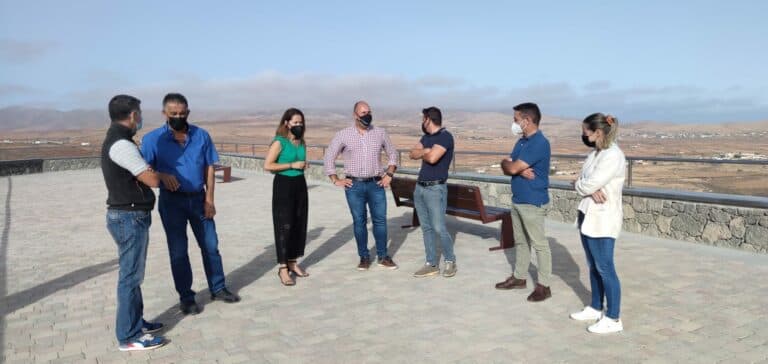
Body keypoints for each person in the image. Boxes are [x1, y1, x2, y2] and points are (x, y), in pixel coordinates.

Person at [141, 93, 240, 315]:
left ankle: (218, 288)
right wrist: (161, 175)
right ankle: (186, 297)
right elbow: (143, 169)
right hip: (171, 202)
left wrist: (210, 200)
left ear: (188, 112)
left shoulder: (201, 135)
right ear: (164, 113)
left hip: (198, 199)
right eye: (173, 113)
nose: (178, 117)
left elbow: (209, 168)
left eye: (182, 113)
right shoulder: (152, 140)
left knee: (211, 245)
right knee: (178, 251)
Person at [101, 94, 166, 351]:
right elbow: (151, 179)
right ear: (132, 115)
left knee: (134, 274)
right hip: (128, 217)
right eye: (139, 113)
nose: (140, 117)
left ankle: (136, 322)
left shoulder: (119, 139)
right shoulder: (121, 145)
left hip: (128, 215)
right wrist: (155, 174)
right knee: (130, 276)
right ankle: (129, 336)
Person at [323, 100, 399, 270]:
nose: (367, 115)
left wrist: (389, 174)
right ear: (355, 115)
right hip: (354, 186)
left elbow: (393, 154)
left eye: (369, 112)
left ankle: (383, 256)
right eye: (363, 113)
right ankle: (364, 257)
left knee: (380, 221)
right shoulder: (343, 135)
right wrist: (335, 179)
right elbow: (329, 157)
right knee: (359, 222)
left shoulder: (380, 133)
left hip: (376, 184)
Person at [569, 113, 626, 334]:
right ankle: (595, 307)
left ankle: (613, 317)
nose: (583, 135)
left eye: (586, 131)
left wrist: (585, 186)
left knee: (605, 267)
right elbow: (582, 182)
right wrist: (587, 187)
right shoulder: (595, 154)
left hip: (603, 218)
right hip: (587, 214)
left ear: (598, 132)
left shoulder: (613, 156)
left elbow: (586, 183)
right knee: (593, 265)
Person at [495, 102, 553, 302]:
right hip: (519, 199)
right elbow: (508, 166)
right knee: (520, 241)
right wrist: (513, 166)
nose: (514, 123)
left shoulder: (539, 143)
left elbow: (511, 168)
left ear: (527, 120)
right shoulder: (521, 142)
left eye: (516, 120)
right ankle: (519, 278)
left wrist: (513, 167)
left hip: (532, 201)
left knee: (539, 244)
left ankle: (544, 286)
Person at [409, 107, 457, 278]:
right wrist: (426, 151)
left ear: (428, 119)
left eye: (423, 118)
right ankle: (431, 263)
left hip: (435, 189)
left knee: (438, 227)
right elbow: (412, 153)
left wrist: (424, 153)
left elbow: (432, 158)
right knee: (426, 227)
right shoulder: (426, 138)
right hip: (420, 187)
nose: (422, 122)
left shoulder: (445, 136)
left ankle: (450, 260)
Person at [264, 108, 310, 286]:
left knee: (299, 223)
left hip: (300, 184)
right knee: (284, 225)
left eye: (301, 122)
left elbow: (299, 162)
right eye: (295, 122)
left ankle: (292, 261)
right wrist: (291, 165)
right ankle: (283, 268)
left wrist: (303, 165)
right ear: (287, 123)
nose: (299, 125)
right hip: (283, 185)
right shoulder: (279, 142)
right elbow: (268, 165)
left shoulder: (301, 142)